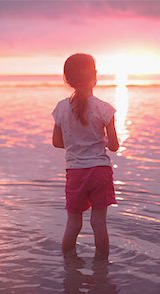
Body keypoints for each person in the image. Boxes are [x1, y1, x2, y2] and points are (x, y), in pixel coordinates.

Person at [52, 53, 119, 260]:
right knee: (99, 224)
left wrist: (76, 144)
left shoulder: (62, 108)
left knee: (73, 224)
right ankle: (102, 269)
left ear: (68, 79)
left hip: (75, 173)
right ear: (95, 76)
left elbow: (57, 142)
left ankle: (68, 267)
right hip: (99, 171)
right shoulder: (104, 109)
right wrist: (102, 142)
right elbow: (115, 146)